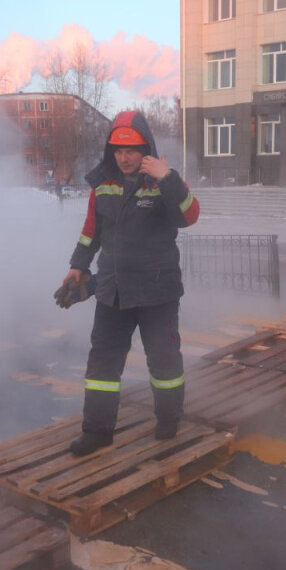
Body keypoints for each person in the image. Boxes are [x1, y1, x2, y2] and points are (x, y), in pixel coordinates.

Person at [62, 110, 201, 457]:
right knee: (102, 365)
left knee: (164, 361)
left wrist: (167, 178)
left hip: (158, 292)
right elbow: (91, 230)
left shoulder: (163, 181)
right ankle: (97, 431)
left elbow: (189, 216)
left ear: (145, 151)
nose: (124, 158)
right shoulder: (104, 183)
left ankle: (168, 418)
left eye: (131, 151)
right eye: (118, 151)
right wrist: (78, 265)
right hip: (112, 290)